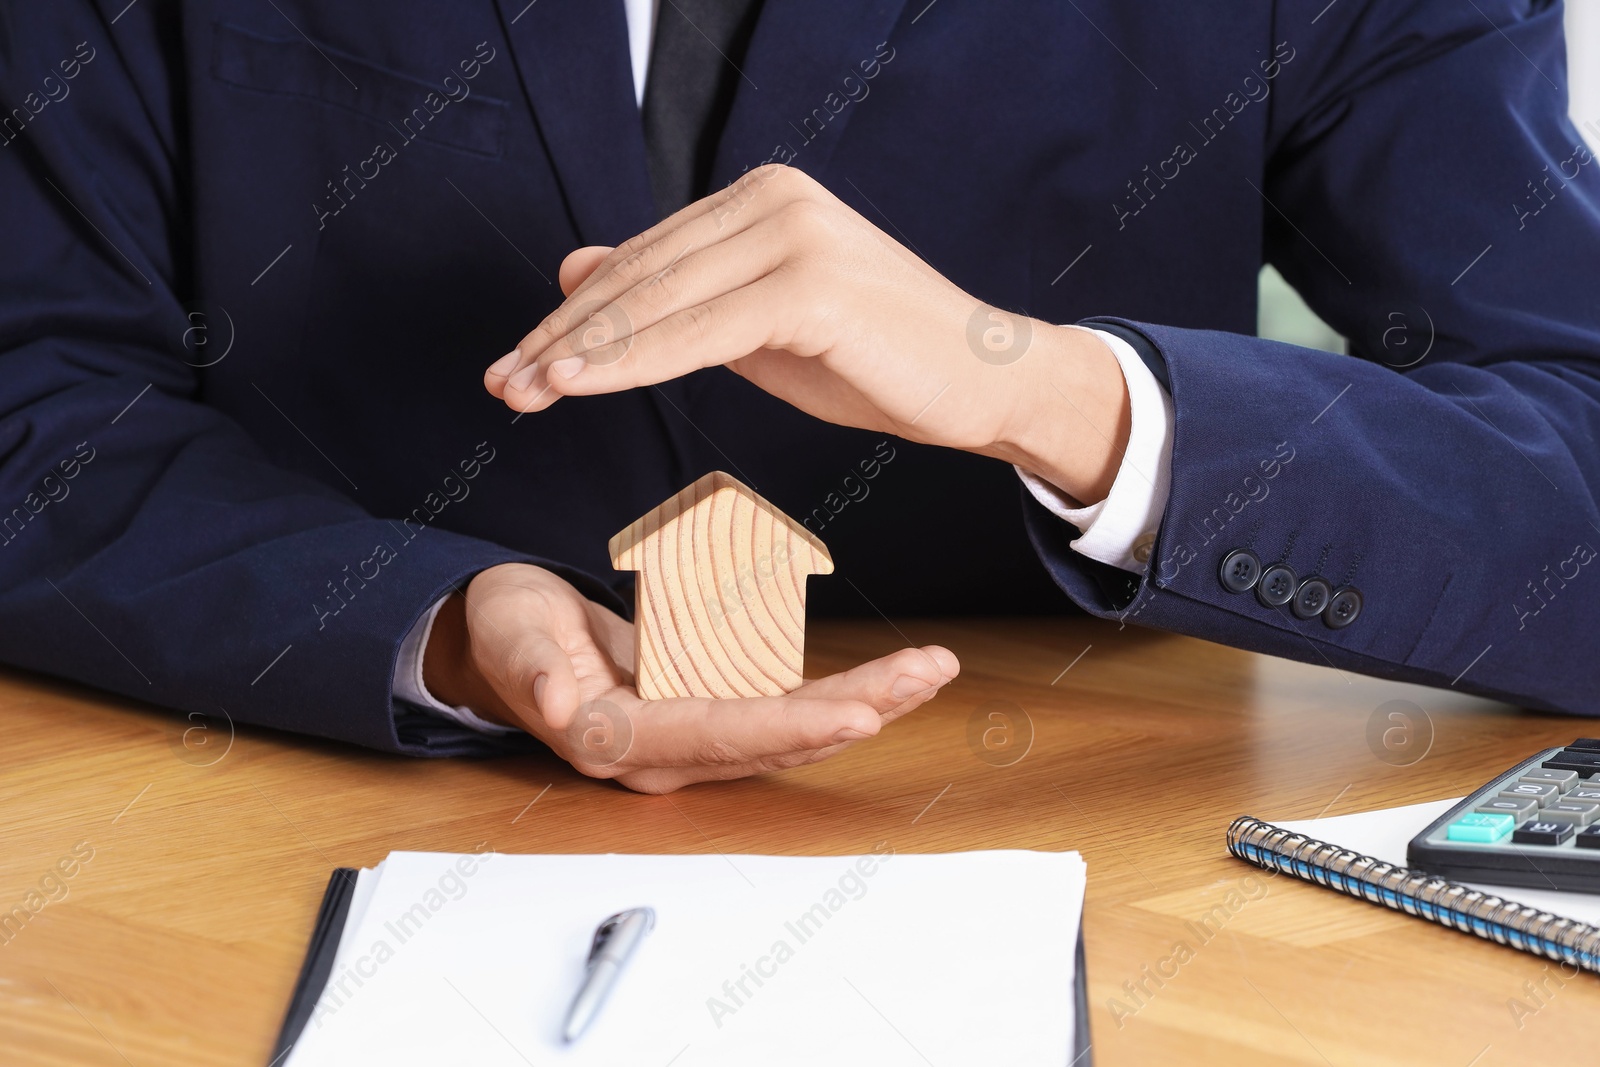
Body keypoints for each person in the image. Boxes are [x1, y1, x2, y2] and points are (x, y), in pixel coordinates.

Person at [1, 1, 1595, 793]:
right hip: (289, 799)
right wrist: (424, 624)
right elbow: (33, 397)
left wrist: (1045, 388)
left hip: (1074, 832)